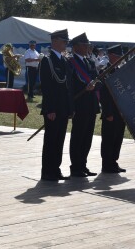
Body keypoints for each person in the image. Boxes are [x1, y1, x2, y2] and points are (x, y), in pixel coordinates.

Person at [39, 29, 74, 181]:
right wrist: (49, 109)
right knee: (51, 140)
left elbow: (68, 88)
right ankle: (47, 171)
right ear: (55, 42)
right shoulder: (47, 61)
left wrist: (70, 108)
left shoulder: (64, 61)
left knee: (59, 140)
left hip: (63, 108)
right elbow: (47, 88)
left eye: (66, 42)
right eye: (63, 41)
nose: (66, 44)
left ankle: (56, 169)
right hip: (53, 108)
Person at [68, 33, 100, 177]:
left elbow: (96, 79)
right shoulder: (70, 62)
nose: (87, 47)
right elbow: (70, 84)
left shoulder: (90, 62)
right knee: (78, 136)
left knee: (87, 136)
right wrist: (84, 88)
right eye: (84, 44)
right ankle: (75, 166)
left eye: (88, 44)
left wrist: (95, 85)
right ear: (75, 47)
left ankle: (83, 164)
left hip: (91, 104)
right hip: (79, 103)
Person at [100, 44, 127, 173]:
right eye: (117, 56)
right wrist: (108, 112)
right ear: (111, 56)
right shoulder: (105, 72)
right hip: (111, 111)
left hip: (121, 111)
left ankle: (114, 161)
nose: (120, 59)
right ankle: (107, 163)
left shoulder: (120, 71)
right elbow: (104, 95)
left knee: (118, 137)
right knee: (109, 138)